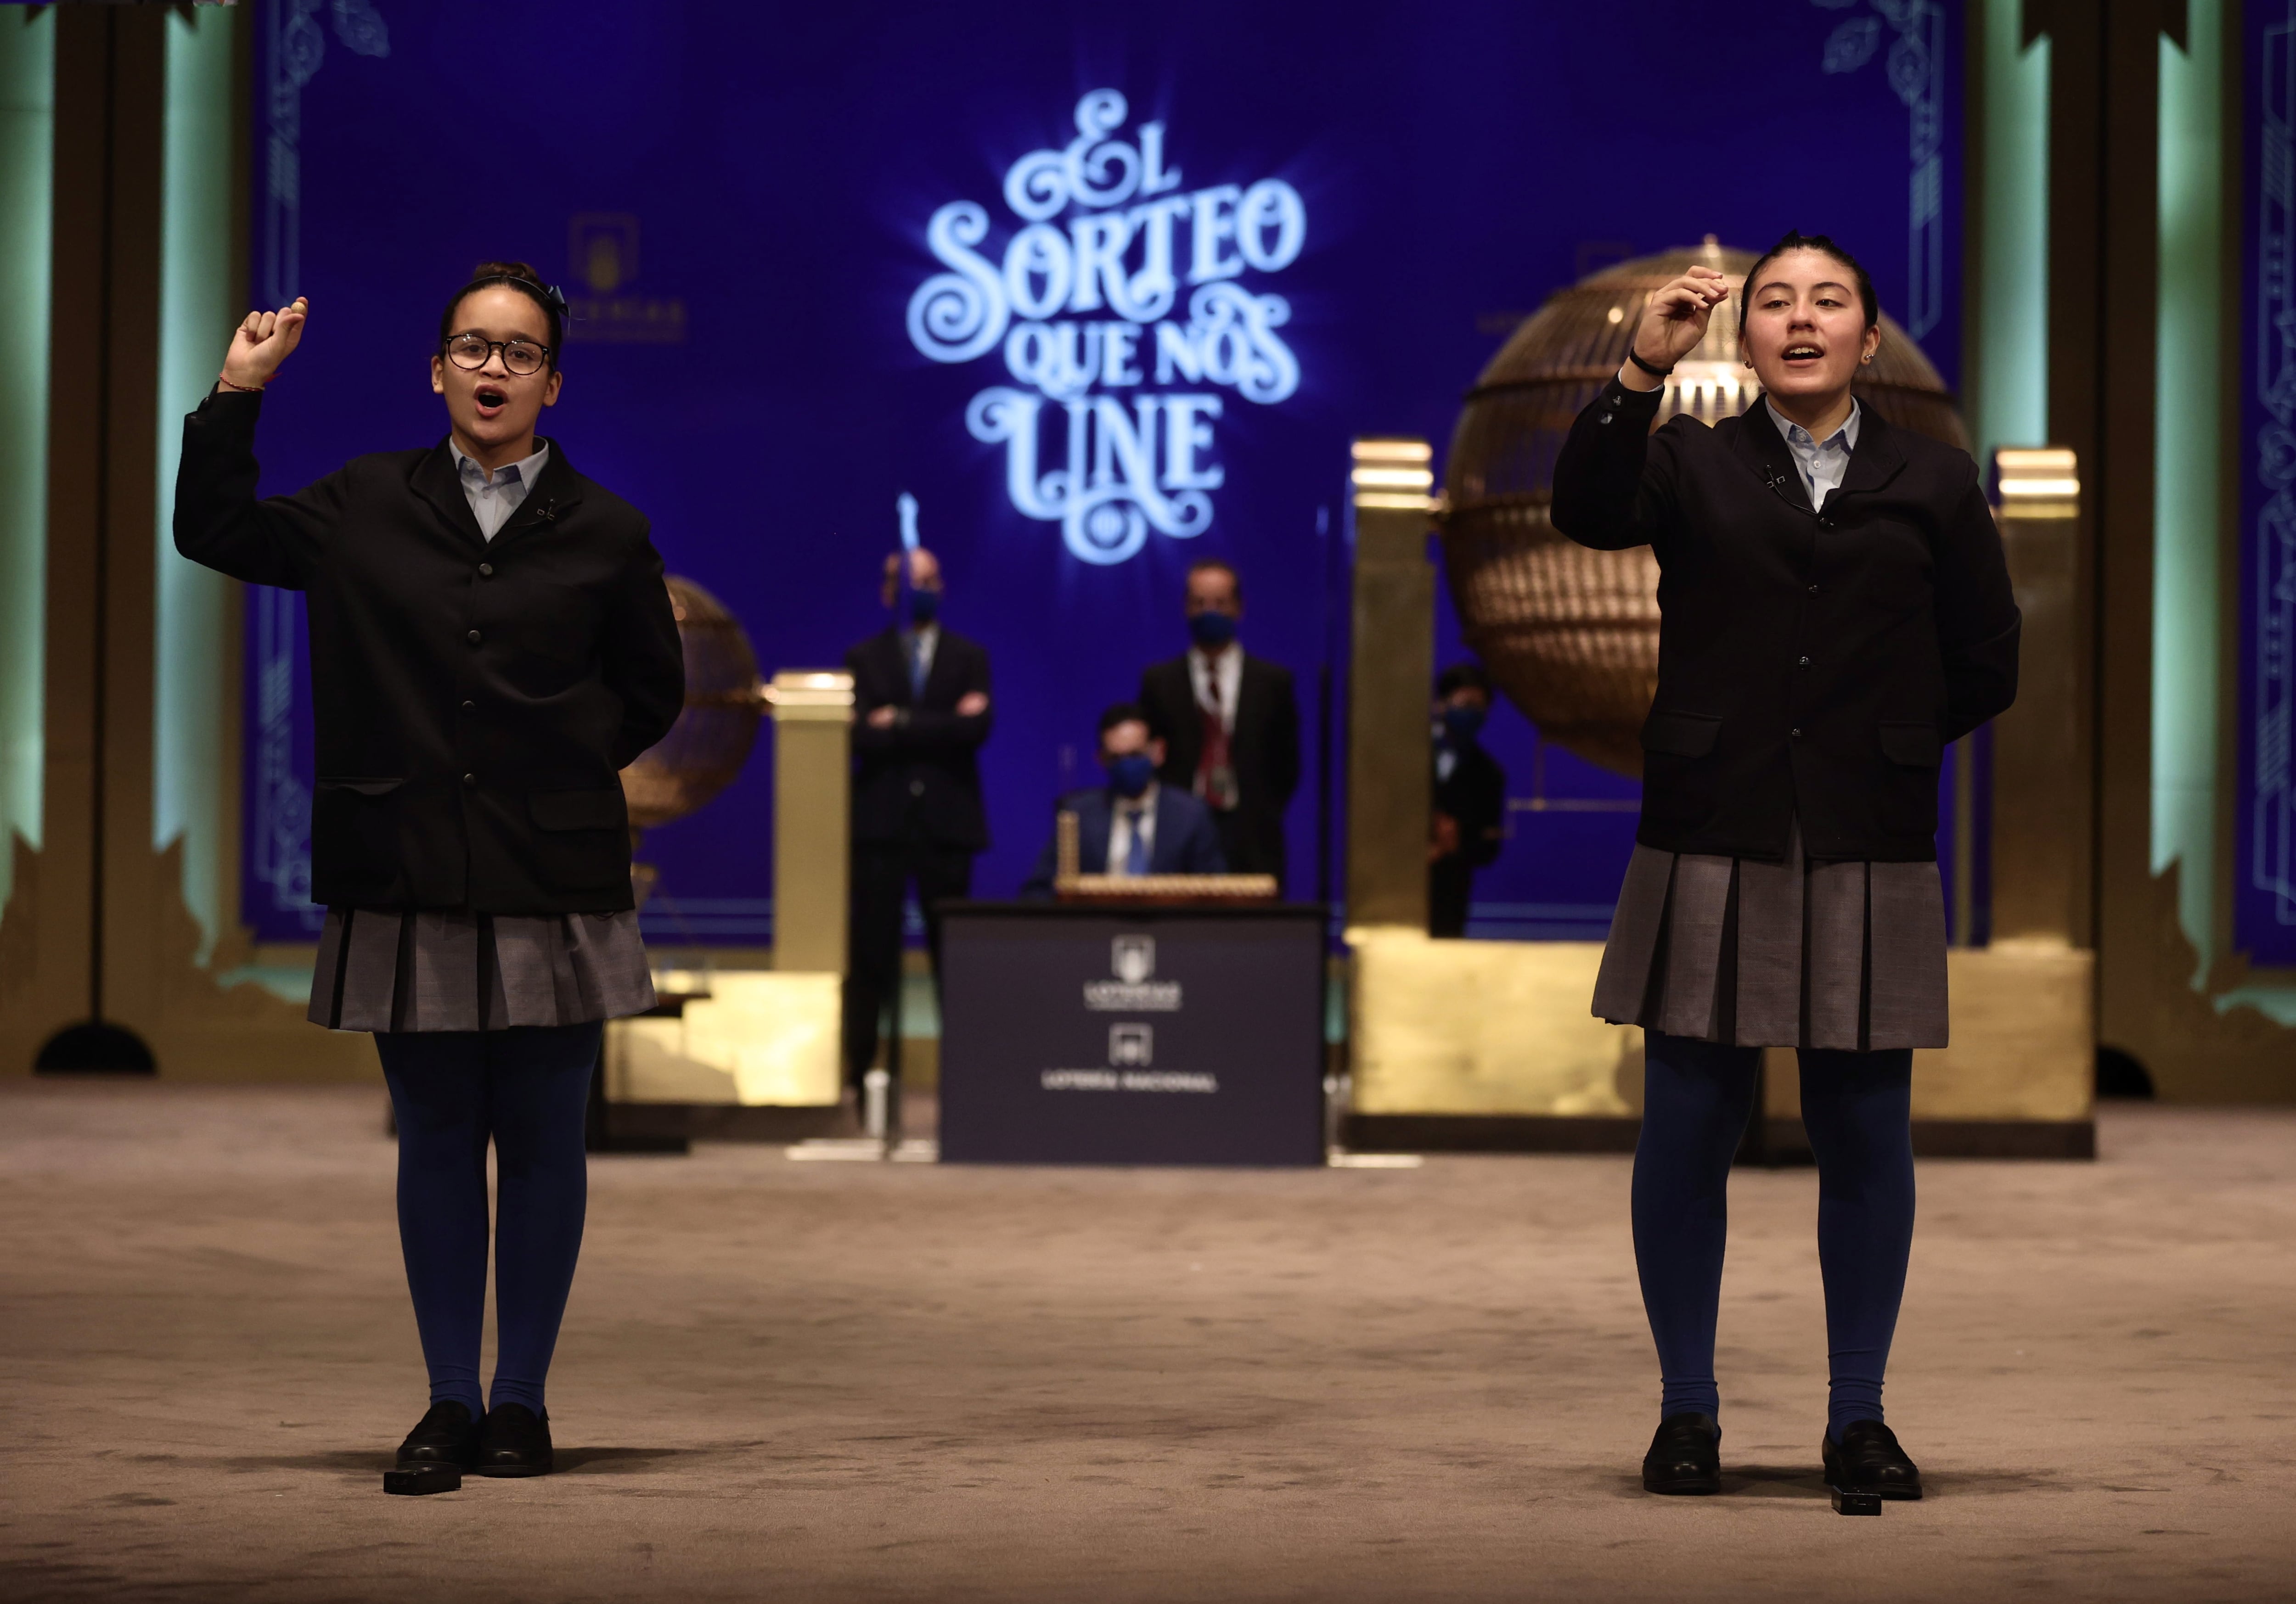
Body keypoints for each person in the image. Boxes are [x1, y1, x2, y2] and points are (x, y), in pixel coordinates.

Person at [173, 263, 686, 1479]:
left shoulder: (608, 528)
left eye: (517, 351)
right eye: (470, 346)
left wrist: (555, 766)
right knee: (438, 1135)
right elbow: (214, 530)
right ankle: (449, 1399)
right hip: (401, 862)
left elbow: (653, 692)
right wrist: (236, 391)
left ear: (552, 381)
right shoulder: (363, 503)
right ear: (438, 368)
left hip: (551, 874)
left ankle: (523, 1402)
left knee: (549, 1138)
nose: (492, 367)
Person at [1550, 231, 2019, 1503]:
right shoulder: (1689, 459)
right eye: (1775, 303)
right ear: (1742, 338)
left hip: (1866, 829)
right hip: (1712, 819)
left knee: (1865, 1128)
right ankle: (1686, 1411)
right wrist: (1640, 365)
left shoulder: (1933, 478)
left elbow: (1989, 657)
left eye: (1829, 302)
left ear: (1871, 338)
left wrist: (1886, 740)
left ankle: (1859, 1415)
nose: (1800, 319)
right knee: (1688, 1124)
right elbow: (1585, 511)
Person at [844, 547, 992, 1092]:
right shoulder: (863, 657)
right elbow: (860, 734)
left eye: (928, 580)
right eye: (909, 583)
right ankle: (856, 1079)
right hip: (880, 828)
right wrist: (942, 722)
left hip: (946, 829)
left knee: (952, 959)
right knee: (870, 959)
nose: (919, 591)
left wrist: (900, 721)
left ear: (943, 586)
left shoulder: (969, 656)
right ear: (888, 592)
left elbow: (975, 731)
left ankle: (968, 1083)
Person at [1136, 559, 1300, 888]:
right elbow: (1152, 755)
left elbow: (1288, 764)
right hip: (1180, 829)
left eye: (1220, 603)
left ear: (1238, 608)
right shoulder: (1160, 681)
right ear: (1186, 608)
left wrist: (1263, 809)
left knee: (1252, 933)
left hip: (1253, 832)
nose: (1209, 611)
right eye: (1200, 603)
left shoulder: (1273, 681)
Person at [1022, 703, 1227, 894]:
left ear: (1158, 752)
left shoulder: (1190, 816)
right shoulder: (1077, 814)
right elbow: (1040, 890)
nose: (1127, 765)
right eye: (1116, 758)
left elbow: (1215, 891)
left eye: (1135, 755)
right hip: (1097, 928)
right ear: (1101, 760)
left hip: (1169, 928)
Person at [1428, 662, 1506, 938]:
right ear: (1441, 704)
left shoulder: (1489, 774)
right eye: (1464, 704)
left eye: (1479, 706)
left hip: (1450, 897)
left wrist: (1455, 842)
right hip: (1393, 891)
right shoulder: (1406, 759)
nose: (1471, 713)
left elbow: (1489, 847)